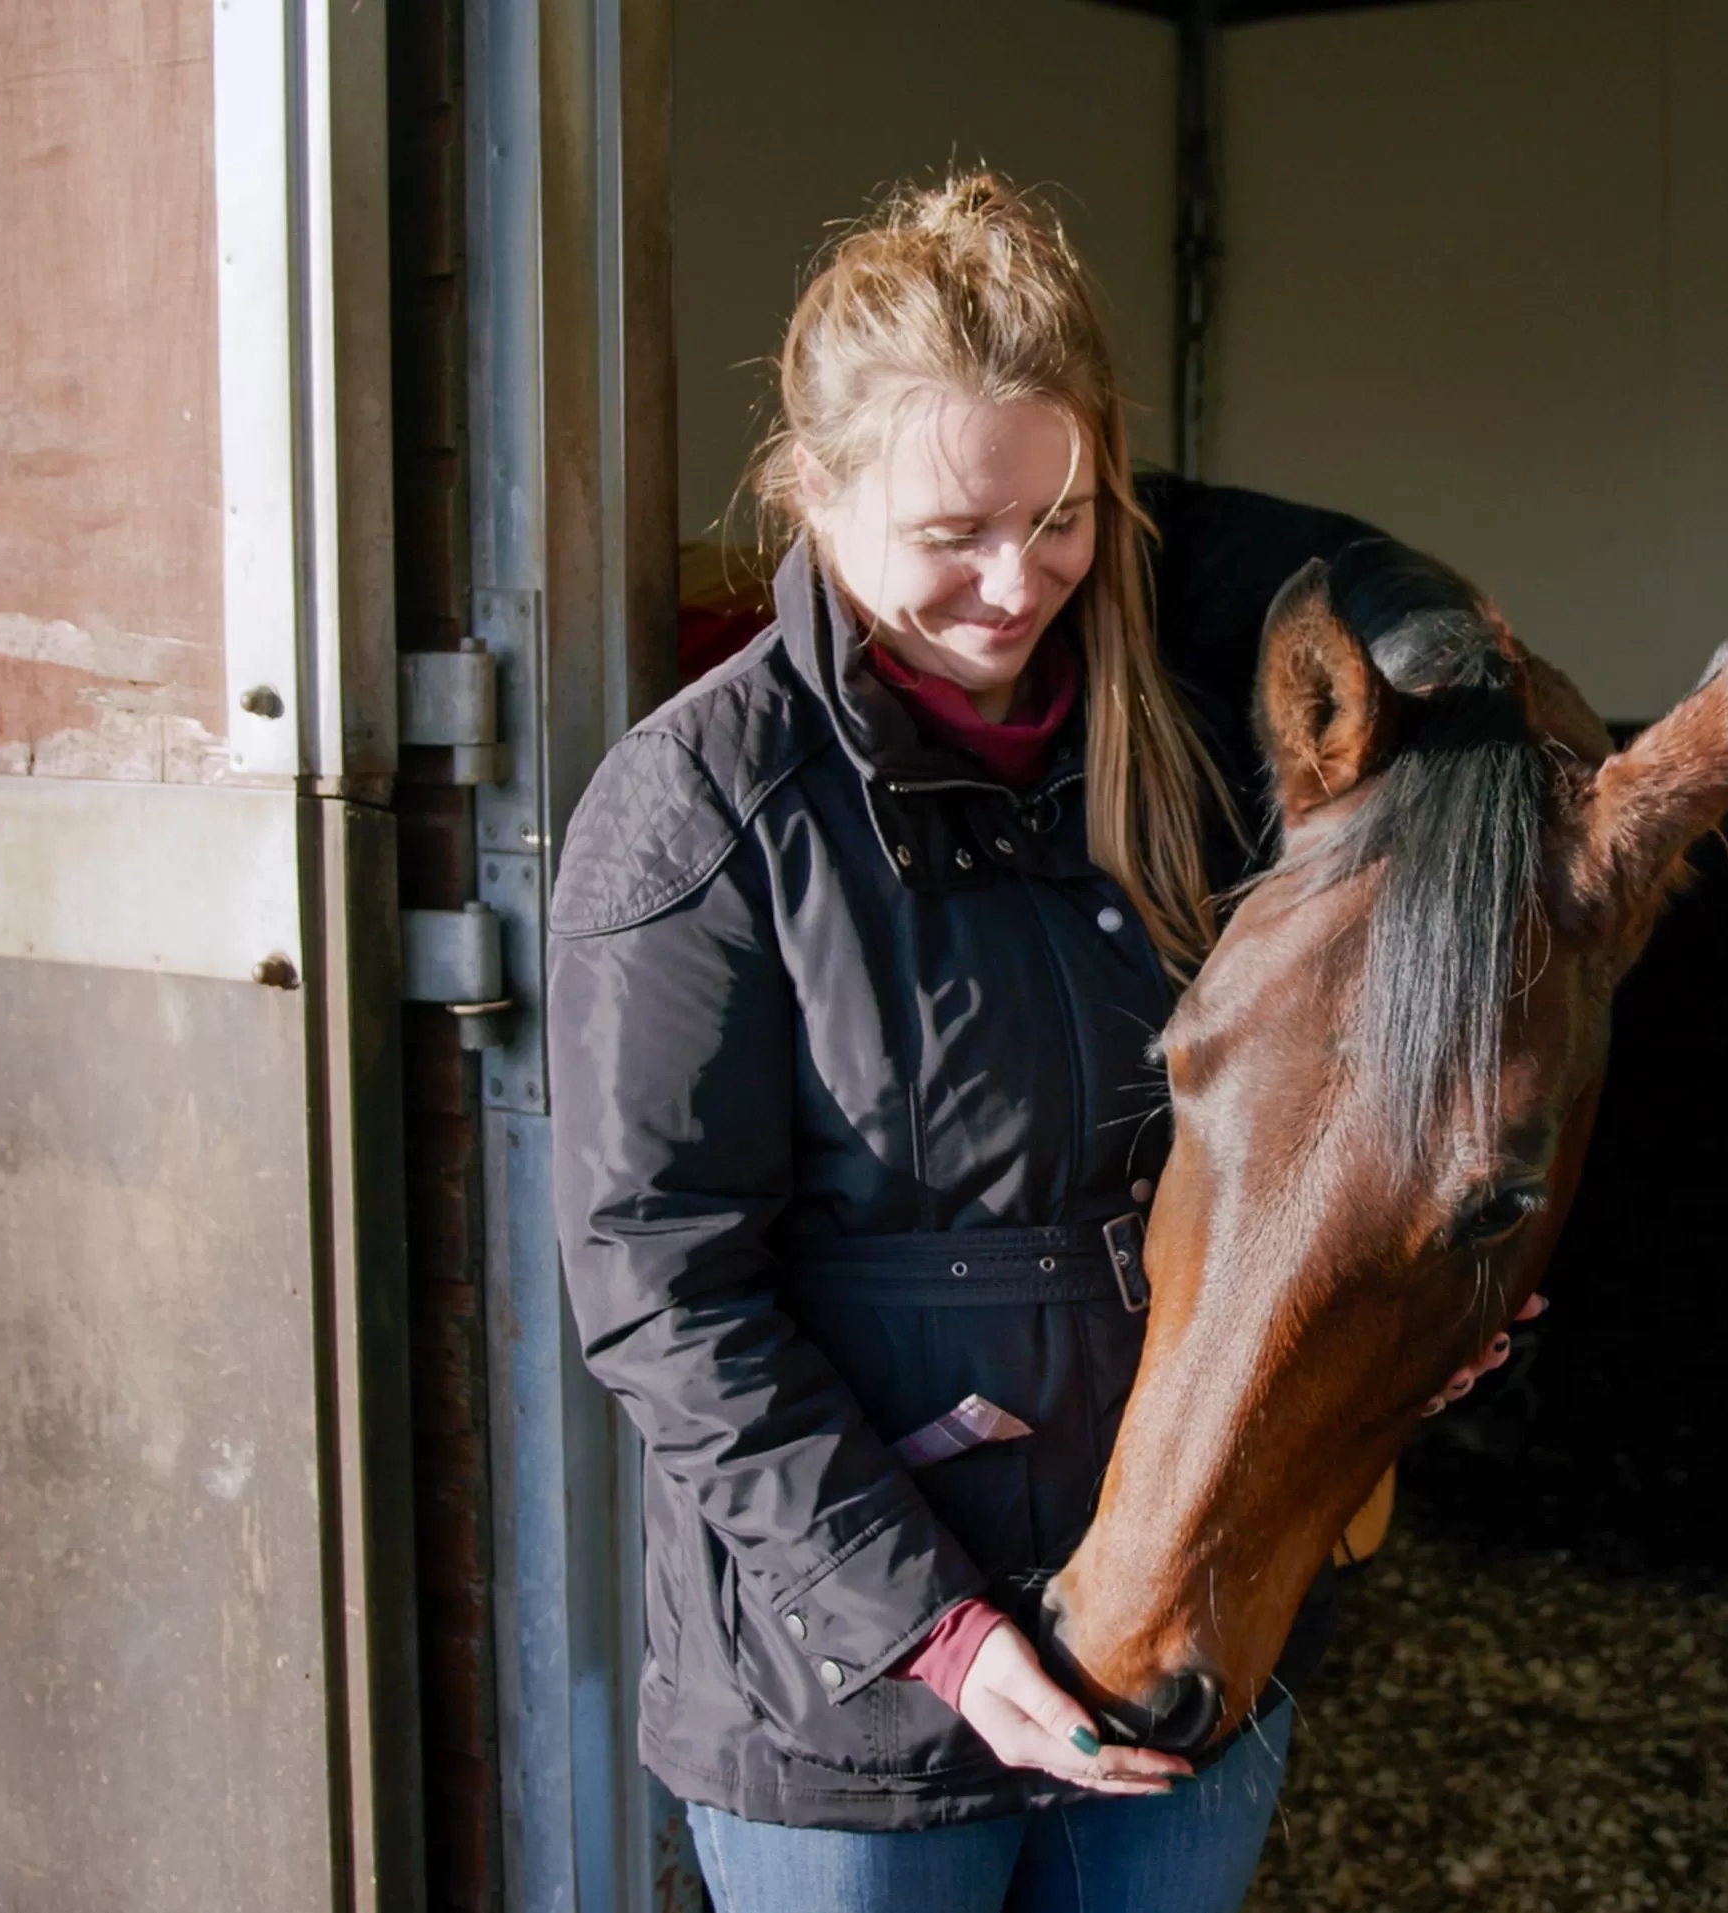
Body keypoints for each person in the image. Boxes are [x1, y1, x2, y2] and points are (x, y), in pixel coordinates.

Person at [547, 172, 1509, 1912]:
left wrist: (1407, 1311)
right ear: (815, 490)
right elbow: (660, 1294)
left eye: (1063, 519)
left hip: (1185, 1623)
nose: (1016, 584)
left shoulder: (1192, 759)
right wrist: (934, 1633)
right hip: (860, 1694)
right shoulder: (700, 810)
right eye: (953, 532)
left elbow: (1309, 1148)